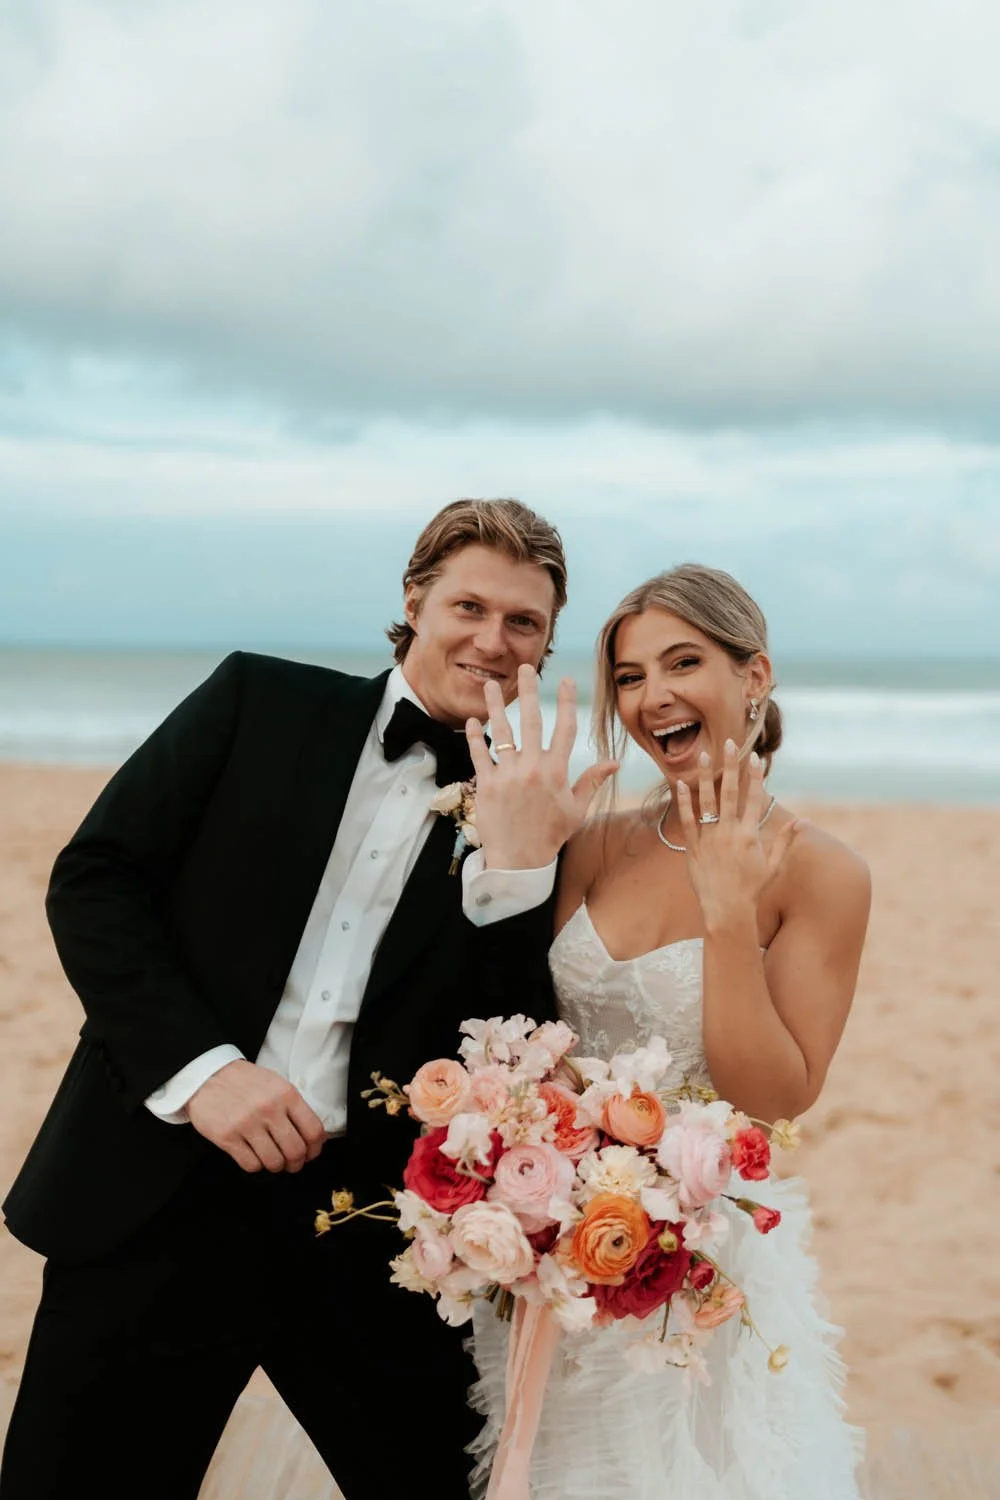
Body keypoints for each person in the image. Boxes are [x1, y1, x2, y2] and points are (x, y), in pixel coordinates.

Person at [0, 499, 615, 1500]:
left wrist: (515, 866)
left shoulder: (537, 808)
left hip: (369, 1233)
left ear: (547, 645)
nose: (491, 640)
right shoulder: (257, 702)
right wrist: (203, 1072)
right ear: (413, 599)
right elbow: (98, 879)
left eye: (524, 624)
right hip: (161, 1198)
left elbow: (512, 1043)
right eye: (469, 604)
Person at [463, 563, 871, 1499]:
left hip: (688, 1270)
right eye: (632, 678)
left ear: (754, 676)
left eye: (682, 662)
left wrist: (730, 917)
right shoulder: (598, 841)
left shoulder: (824, 874)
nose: (653, 697)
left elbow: (775, 1095)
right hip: (543, 1251)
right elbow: (524, 1025)